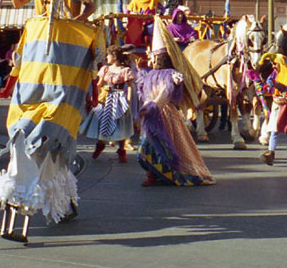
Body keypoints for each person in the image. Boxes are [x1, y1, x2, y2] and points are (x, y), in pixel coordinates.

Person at [137, 18, 215, 186]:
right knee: (148, 145)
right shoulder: (149, 74)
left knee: (170, 145)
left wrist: (152, 107)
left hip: (165, 115)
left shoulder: (170, 75)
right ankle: (153, 174)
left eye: (155, 57)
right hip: (152, 113)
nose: (151, 58)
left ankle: (168, 173)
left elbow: (165, 93)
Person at [81, 45, 135, 162]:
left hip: (118, 97)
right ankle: (100, 144)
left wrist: (128, 100)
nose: (107, 57)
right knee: (102, 119)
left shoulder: (125, 70)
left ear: (114, 56)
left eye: (109, 55)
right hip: (105, 97)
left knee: (119, 121)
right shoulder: (105, 69)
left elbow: (130, 86)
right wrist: (92, 94)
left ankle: (122, 149)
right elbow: (99, 84)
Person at [257, 52, 287, 166]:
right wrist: (260, 84)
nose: (273, 66)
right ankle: (270, 154)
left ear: (281, 64)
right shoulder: (273, 74)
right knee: (274, 130)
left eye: (275, 64)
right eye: (272, 64)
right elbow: (267, 88)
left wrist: (279, 86)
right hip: (276, 105)